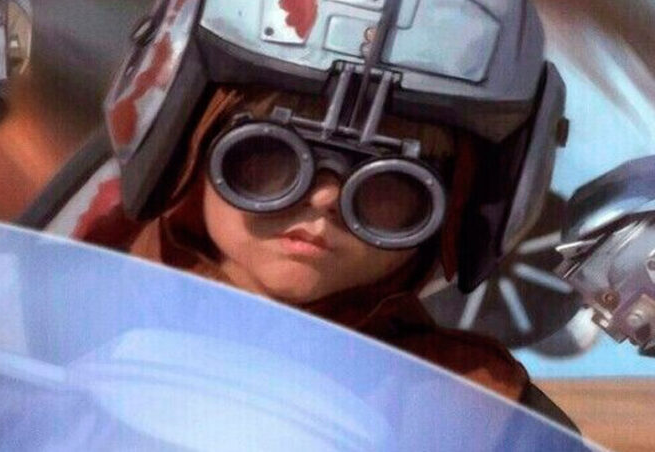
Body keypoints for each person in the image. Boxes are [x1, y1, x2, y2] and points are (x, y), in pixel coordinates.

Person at [31, 0, 577, 430]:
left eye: (389, 185)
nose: (324, 199)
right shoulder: (35, 310)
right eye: (268, 157)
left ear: (456, 207)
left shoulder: (475, 413)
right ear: (188, 141)